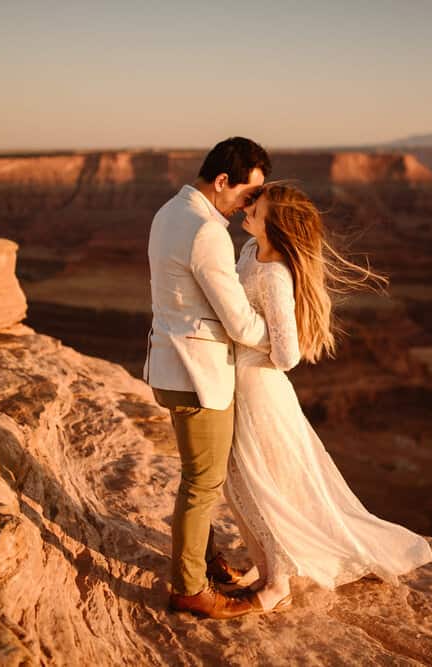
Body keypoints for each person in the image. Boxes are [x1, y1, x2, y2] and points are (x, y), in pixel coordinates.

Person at [224, 183, 432, 613]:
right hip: (235, 384)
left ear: (277, 225)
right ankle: (263, 567)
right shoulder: (248, 252)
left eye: (258, 207)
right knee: (238, 479)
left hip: (260, 391)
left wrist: (244, 337)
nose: (248, 208)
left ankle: (277, 584)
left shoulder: (275, 275)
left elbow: (287, 355)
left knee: (270, 483)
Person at [143, 137, 271, 619]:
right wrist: (283, 336)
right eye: (247, 193)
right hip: (198, 374)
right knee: (202, 483)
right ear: (221, 181)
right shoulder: (207, 232)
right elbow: (239, 323)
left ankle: (205, 560)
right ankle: (190, 588)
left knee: (198, 476)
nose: (248, 205)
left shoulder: (168, 212)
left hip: (170, 364)